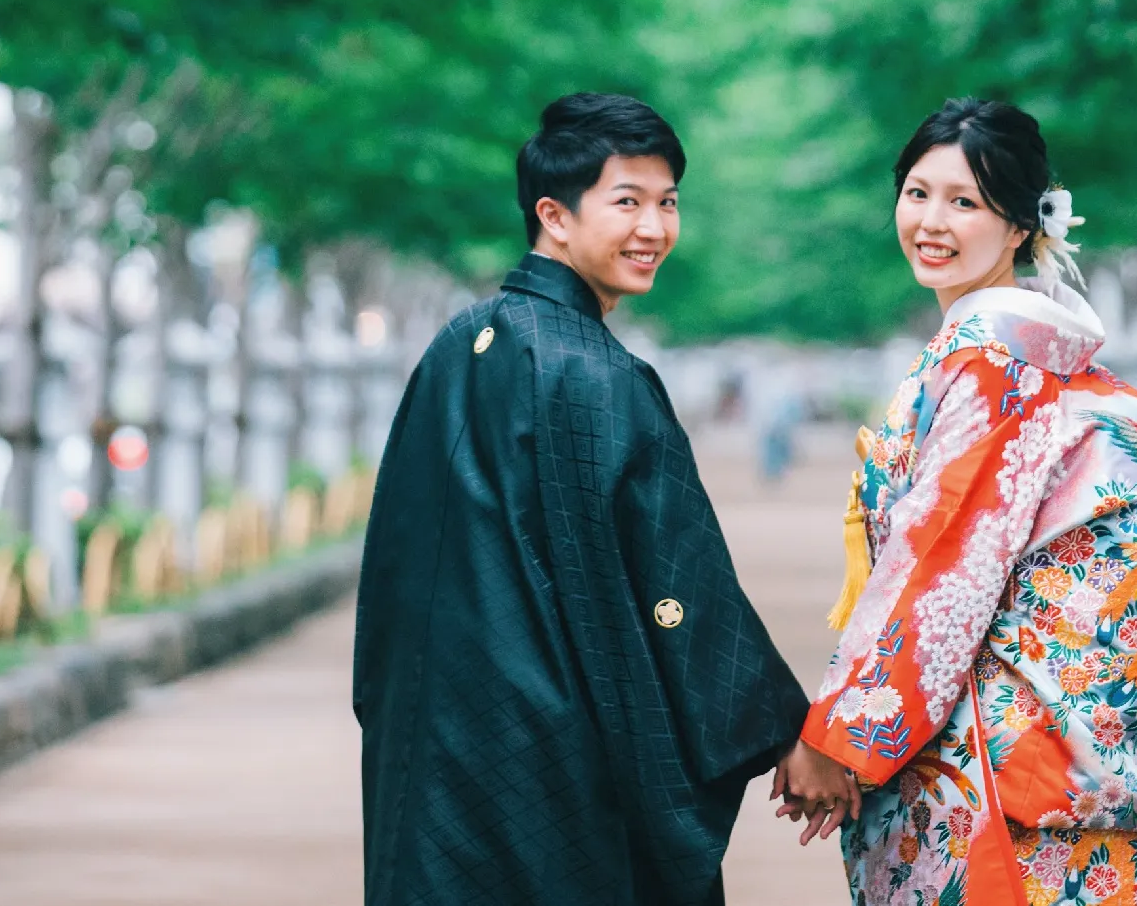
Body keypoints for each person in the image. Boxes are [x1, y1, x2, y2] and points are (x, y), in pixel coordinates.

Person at [353, 92, 857, 906]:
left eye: (667, 203)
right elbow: (677, 586)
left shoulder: (457, 345)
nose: (653, 228)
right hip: (551, 752)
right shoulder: (598, 374)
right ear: (553, 214)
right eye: (626, 202)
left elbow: (392, 554)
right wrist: (782, 733)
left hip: (437, 735)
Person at [783, 98, 1137, 906]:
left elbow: (939, 569)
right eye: (917, 192)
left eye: (964, 202)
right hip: (1074, 770)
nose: (931, 221)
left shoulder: (995, 369)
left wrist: (838, 740)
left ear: (1021, 224)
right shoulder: (1061, 370)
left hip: (1000, 777)